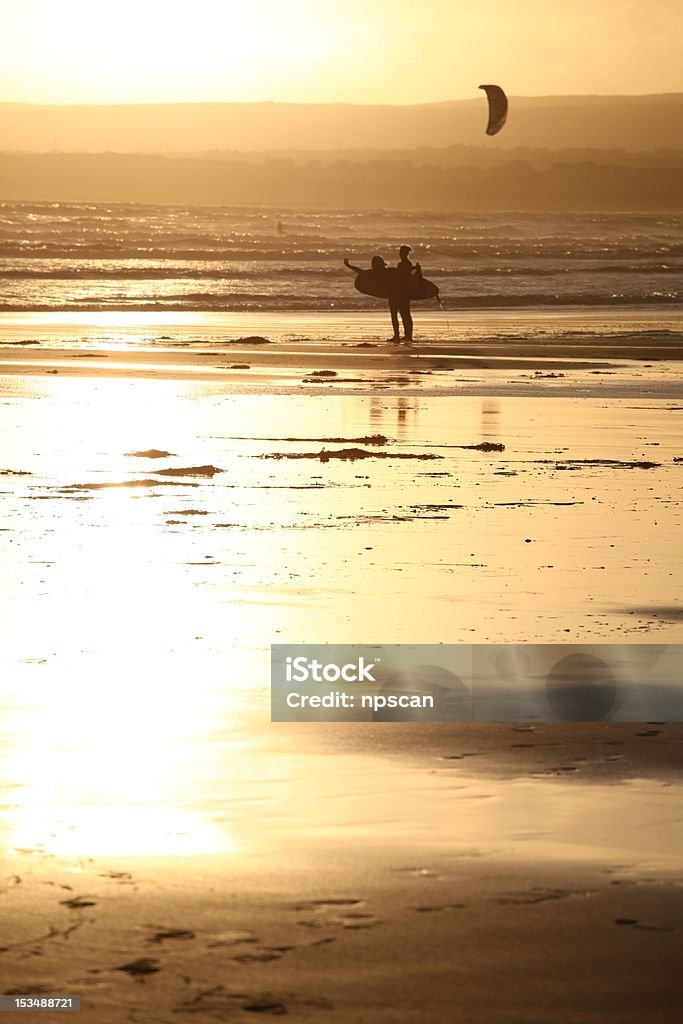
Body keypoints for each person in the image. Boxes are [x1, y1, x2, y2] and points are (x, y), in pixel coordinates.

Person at [344, 255, 403, 344]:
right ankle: (404, 335)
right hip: (400, 294)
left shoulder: (376, 273)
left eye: (374, 264)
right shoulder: (389, 271)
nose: (373, 265)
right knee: (402, 315)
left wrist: (349, 265)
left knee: (395, 316)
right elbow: (403, 274)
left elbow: (361, 272)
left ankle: (398, 336)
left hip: (394, 295)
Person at [392, 245, 421, 344]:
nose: (400, 254)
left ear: (406, 254)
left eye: (402, 252)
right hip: (399, 291)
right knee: (403, 314)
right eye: (400, 252)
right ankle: (404, 335)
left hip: (403, 292)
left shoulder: (406, 264)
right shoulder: (405, 264)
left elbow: (404, 276)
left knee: (405, 314)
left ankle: (408, 335)